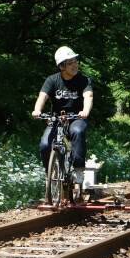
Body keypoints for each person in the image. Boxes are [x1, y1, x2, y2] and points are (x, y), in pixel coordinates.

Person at [32, 46, 93, 183]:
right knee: (45, 145)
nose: (75, 65)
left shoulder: (84, 80)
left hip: (76, 117)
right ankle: (50, 173)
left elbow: (88, 97)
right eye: (70, 63)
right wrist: (37, 110)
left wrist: (85, 111)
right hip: (57, 118)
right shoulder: (52, 80)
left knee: (78, 132)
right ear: (61, 66)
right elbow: (42, 97)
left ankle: (78, 170)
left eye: (75, 61)